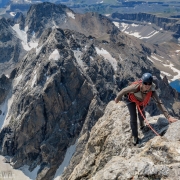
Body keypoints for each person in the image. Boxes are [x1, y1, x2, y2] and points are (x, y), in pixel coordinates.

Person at [115, 73, 177, 145]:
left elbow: (159, 103)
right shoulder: (135, 87)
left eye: (149, 83)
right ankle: (135, 136)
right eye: (145, 83)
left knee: (142, 114)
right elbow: (124, 91)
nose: (147, 86)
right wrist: (117, 99)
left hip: (141, 101)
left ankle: (142, 125)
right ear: (142, 82)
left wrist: (168, 117)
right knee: (133, 117)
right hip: (130, 100)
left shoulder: (152, 91)